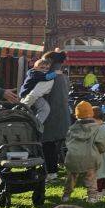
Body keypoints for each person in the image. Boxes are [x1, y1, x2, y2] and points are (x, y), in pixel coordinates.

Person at [62, 101, 105, 204]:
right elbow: (103, 142)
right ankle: (92, 197)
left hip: (74, 157)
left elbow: (68, 142)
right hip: (91, 157)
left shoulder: (72, 129)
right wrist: (100, 150)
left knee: (71, 177)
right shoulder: (97, 128)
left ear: (76, 115)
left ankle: (66, 195)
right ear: (91, 114)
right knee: (91, 178)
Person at [40, 50, 71, 181]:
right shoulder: (64, 76)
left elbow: (40, 95)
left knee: (47, 144)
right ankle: (57, 170)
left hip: (50, 116)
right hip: (63, 115)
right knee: (56, 145)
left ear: (50, 62)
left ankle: (51, 172)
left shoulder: (48, 76)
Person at [18, 57, 57, 123]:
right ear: (35, 67)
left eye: (47, 68)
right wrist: (56, 73)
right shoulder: (35, 73)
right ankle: (36, 125)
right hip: (29, 93)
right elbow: (47, 77)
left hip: (26, 94)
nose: (44, 70)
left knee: (26, 110)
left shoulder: (33, 73)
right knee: (45, 109)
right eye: (42, 67)